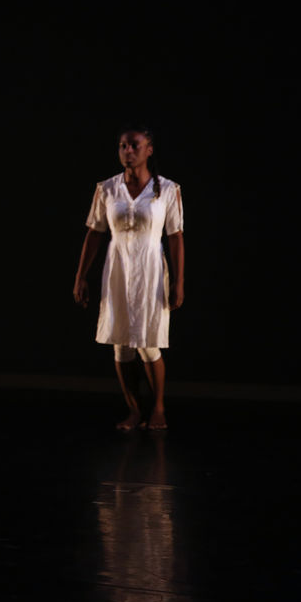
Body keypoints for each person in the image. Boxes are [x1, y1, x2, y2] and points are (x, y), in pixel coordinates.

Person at [73, 125, 185, 431]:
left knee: (148, 344)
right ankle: (134, 410)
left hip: (149, 269)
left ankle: (159, 406)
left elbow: (175, 237)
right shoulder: (107, 189)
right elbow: (95, 232)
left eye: (135, 146)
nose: (128, 151)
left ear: (149, 149)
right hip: (119, 267)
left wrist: (179, 281)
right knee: (121, 345)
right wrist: (81, 276)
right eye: (123, 146)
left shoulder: (168, 190)